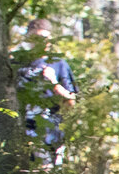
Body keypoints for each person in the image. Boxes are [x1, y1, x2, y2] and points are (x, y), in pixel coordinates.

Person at [19, 20, 76, 166]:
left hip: (50, 133)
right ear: (28, 39)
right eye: (35, 38)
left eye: (44, 38)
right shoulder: (17, 63)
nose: (40, 42)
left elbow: (71, 103)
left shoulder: (58, 64)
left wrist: (54, 83)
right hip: (21, 131)